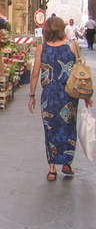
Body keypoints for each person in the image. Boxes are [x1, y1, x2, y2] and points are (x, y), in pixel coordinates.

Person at [28, 16, 92, 181]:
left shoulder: (42, 48)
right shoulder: (72, 46)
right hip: (69, 95)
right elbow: (80, 73)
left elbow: (35, 74)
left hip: (49, 95)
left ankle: (51, 169)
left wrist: (32, 95)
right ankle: (67, 163)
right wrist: (86, 97)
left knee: (50, 129)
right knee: (68, 127)